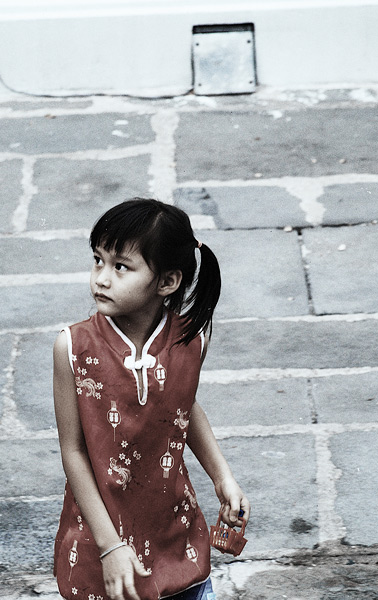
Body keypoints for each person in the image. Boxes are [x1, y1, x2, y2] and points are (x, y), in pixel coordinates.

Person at [53, 198, 249, 600]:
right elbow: (73, 451)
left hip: (175, 532)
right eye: (98, 261)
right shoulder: (73, 348)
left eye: (120, 267)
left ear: (167, 282)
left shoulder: (190, 342)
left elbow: (181, 408)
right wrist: (109, 546)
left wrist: (222, 477)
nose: (101, 278)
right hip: (100, 538)